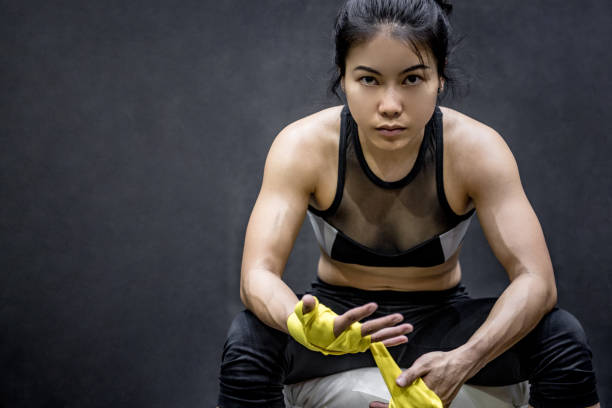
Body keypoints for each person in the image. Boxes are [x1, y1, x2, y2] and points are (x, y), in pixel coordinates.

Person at [217, 0, 600, 407]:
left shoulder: (476, 150)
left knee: (560, 335)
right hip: (343, 324)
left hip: (441, 322)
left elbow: (536, 282)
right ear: (343, 78)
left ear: (439, 77)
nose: (390, 105)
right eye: (369, 80)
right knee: (249, 339)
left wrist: (465, 360)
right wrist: (303, 324)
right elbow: (256, 275)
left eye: (412, 79)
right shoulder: (303, 147)